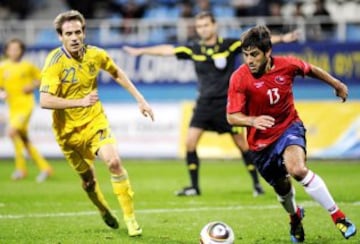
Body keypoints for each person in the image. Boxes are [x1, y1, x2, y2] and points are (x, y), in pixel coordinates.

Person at [123, 11, 298, 197]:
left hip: (228, 105)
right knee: (189, 143)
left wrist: (283, 38)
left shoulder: (228, 45)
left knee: (243, 146)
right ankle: (194, 187)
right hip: (204, 104)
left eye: (206, 25)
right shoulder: (194, 49)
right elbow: (168, 50)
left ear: (214, 25)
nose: (203, 29)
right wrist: (142, 51)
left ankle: (257, 185)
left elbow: (258, 44)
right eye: (199, 26)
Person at [226, 25, 357, 242]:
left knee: (296, 169)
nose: (249, 60)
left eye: (254, 55)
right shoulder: (239, 78)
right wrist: (252, 120)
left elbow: (311, 68)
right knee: (282, 187)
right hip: (260, 144)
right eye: (246, 55)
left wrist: (336, 84)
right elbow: (232, 116)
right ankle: (294, 217)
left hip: (288, 127)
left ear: (268, 53)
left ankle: (339, 217)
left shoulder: (287, 65)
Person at [39, 10, 154, 236]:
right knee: (89, 182)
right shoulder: (54, 61)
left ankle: (131, 219)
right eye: (68, 33)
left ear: (84, 33)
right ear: (60, 36)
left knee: (113, 162)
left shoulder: (96, 54)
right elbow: (44, 100)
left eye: (78, 32)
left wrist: (140, 100)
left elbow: (116, 72)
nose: (74, 37)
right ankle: (102, 208)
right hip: (67, 134)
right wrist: (79, 101)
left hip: (94, 122)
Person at [0, 38, 53, 183]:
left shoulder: (28, 66)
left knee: (11, 132)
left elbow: (43, 78)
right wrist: (2, 93)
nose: (14, 52)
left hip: (25, 105)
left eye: (17, 49)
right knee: (23, 139)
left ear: (21, 51)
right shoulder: (3, 67)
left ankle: (21, 169)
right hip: (12, 107)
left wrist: (33, 85)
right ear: (7, 51)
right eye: (11, 49)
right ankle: (45, 167)